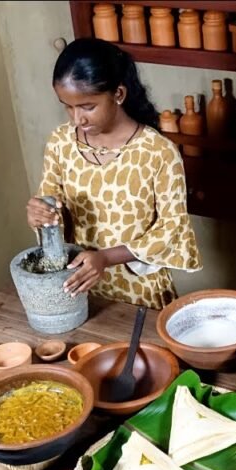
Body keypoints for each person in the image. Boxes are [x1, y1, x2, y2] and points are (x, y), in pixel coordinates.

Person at [27, 38, 201, 309]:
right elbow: (53, 207)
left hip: (140, 295)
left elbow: (172, 230)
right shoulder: (60, 143)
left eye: (87, 106)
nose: (77, 119)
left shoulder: (158, 153)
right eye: (67, 106)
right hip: (79, 291)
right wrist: (41, 215)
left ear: (118, 95)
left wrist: (106, 258)